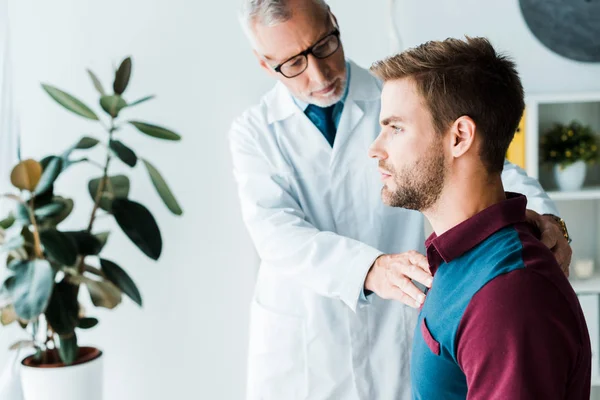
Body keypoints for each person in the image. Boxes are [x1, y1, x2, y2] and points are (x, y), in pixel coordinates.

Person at [229, 1, 573, 398]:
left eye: (324, 45)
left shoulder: (397, 95)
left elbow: (485, 160)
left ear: (334, 23)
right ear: (263, 63)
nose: (318, 73)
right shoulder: (254, 133)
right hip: (308, 339)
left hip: (403, 322)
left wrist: (546, 218)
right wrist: (368, 268)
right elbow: (274, 231)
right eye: (293, 64)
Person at [369, 36, 591, 399]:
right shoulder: (457, 261)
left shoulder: (508, 295)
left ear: (459, 137)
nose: (374, 149)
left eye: (395, 128)